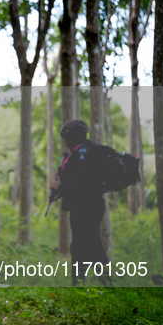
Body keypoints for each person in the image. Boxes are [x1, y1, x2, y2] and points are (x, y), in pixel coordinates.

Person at [50, 119, 109, 286]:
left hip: (87, 206)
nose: (66, 142)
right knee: (85, 243)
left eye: (67, 138)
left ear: (74, 136)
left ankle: (92, 282)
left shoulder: (83, 152)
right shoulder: (81, 152)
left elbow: (84, 180)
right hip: (83, 205)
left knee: (86, 244)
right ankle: (86, 282)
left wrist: (60, 185)